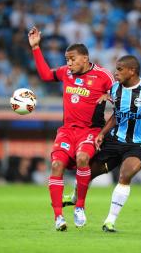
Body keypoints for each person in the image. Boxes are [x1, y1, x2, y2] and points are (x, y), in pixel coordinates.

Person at [28, 26, 114, 231]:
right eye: (67, 59)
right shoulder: (66, 73)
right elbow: (46, 75)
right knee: (56, 165)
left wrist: (110, 96)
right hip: (67, 130)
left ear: (85, 58)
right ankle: (58, 217)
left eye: (72, 59)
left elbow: (119, 95)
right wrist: (36, 48)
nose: (69, 63)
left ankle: (80, 207)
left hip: (91, 131)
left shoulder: (103, 75)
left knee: (83, 158)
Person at [93, 55, 141, 232]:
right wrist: (102, 133)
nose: (115, 72)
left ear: (132, 71)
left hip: (139, 143)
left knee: (125, 175)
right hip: (116, 140)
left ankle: (109, 221)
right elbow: (116, 115)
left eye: (119, 69)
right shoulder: (115, 89)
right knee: (90, 170)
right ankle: (75, 199)